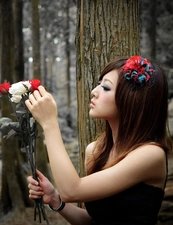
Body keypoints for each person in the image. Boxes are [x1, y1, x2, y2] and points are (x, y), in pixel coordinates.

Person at [25, 56, 172, 225]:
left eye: (106, 87)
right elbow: (95, 220)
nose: (94, 91)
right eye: (99, 83)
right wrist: (55, 200)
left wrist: (49, 123)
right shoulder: (96, 151)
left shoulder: (151, 154)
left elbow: (72, 191)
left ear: (133, 100)